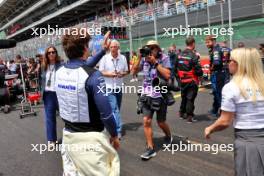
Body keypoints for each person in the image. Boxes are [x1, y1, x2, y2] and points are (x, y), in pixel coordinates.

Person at [55, 29, 120, 176]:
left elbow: (81, 67)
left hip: (68, 138)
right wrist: (114, 135)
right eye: (88, 44)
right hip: (90, 141)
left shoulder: (59, 71)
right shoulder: (94, 76)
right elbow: (107, 113)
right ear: (85, 47)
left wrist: (103, 50)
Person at [204, 48, 264, 176]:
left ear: (239, 64)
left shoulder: (231, 87)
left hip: (248, 142)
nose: (227, 63)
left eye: (230, 60)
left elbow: (225, 121)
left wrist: (210, 128)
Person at [131, 40, 173, 160]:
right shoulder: (144, 59)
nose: (149, 50)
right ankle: (150, 148)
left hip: (160, 94)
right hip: (146, 94)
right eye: (148, 48)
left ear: (157, 49)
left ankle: (168, 135)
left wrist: (155, 63)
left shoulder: (164, 58)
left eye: (152, 48)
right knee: (146, 121)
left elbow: (168, 75)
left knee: (161, 122)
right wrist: (139, 57)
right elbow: (133, 71)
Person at [99, 40, 129, 139]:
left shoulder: (123, 58)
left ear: (118, 48)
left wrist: (122, 74)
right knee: (115, 108)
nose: (113, 49)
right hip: (109, 87)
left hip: (119, 87)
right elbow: (101, 72)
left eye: (115, 47)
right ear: (109, 48)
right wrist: (110, 74)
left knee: (117, 108)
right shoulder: (105, 58)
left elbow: (126, 71)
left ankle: (110, 123)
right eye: (111, 47)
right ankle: (117, 131)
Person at [175, 37, 203, 123]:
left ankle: (181, 113)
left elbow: (175, 68)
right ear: (193, 43)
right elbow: (198, 70)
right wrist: (200, 75)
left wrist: (179, 80)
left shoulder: (179, 55)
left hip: (182, 80)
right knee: (190, 98)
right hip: (192, 81)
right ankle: (189, 116)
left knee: (184, 97)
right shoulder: (194, 56)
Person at [205, 35, 226, 117]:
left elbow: (216, 63)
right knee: (215, 92)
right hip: (217, 73)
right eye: (206, 42)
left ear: (213, 41)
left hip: (218, 74)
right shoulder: (213, 50)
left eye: (208, 42)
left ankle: (223, 112)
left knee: (218, 93)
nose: (206, 44)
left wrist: (211, 68)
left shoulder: (216, 50)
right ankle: (214, 110)